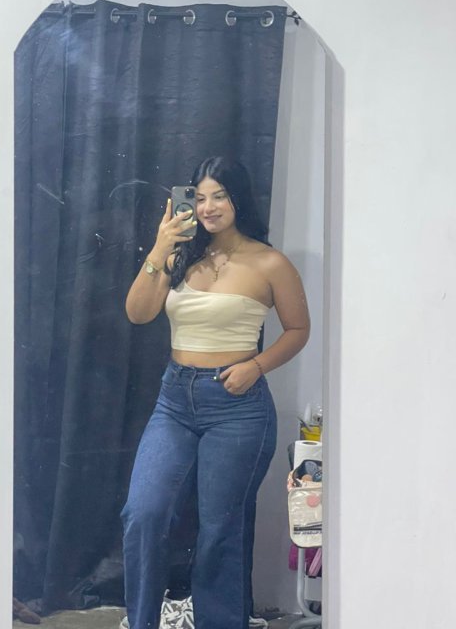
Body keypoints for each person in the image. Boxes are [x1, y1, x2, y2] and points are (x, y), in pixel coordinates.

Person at [120, 156, 310, 629]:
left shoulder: (270, 262)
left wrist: (256, 366)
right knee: (144, 512)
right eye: (199, 197)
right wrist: (160, 247)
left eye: (219, 196)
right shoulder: (181, 257)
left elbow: (298, 329)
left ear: (237, 198)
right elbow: (138, 314)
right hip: (174, 400)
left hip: (237, 406)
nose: (207, 207)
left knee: (220, 529)